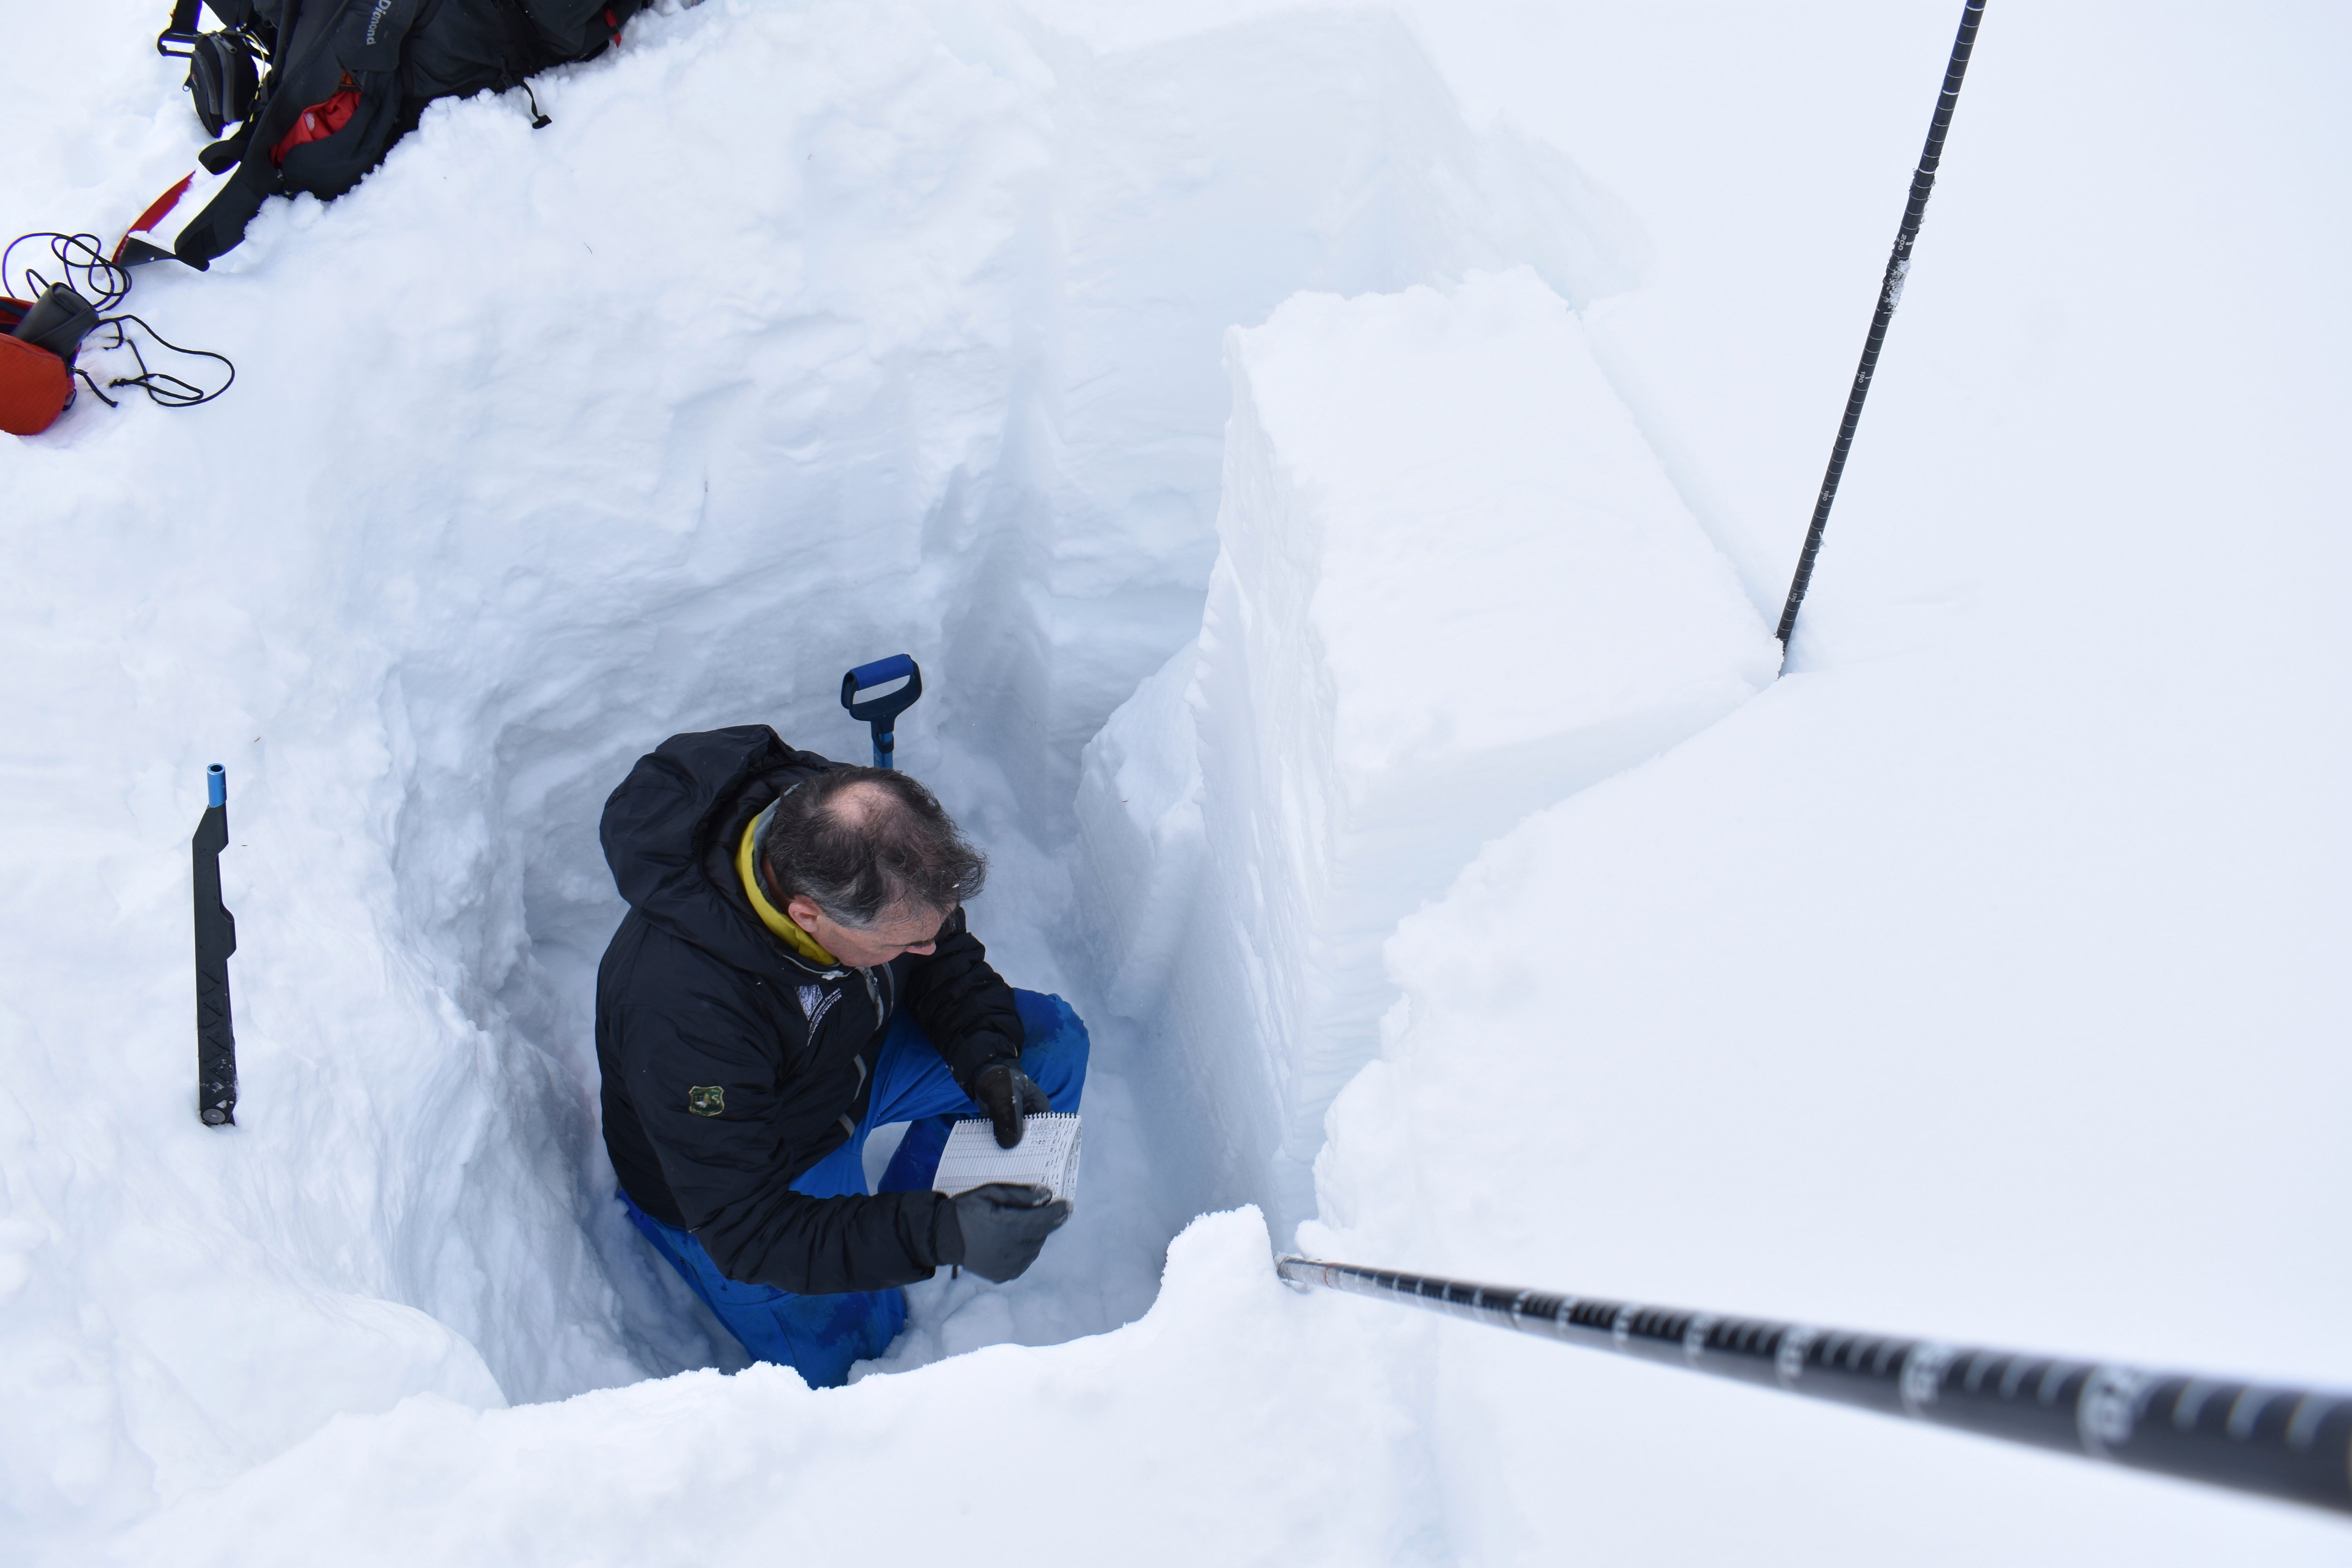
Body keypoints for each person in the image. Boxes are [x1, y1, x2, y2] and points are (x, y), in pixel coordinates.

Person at [595, 724, 1085, 1387]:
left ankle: (942, 1215)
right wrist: (935, 1235)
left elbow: (941, 958)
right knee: (861, 1360)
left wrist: (988, 1055)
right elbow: (748, 1230)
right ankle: (904, 1241)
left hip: (844, 1064)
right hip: (748, 1177)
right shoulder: (684, 1010)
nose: (926, 948)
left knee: (1049, 1047)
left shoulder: (852, 827)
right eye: (900, 945)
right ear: (808, 918)